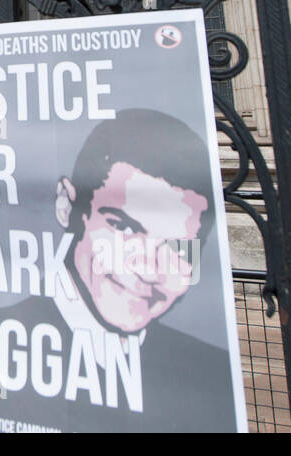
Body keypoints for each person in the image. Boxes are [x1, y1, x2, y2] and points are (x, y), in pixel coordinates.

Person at [54, 108, 216, 335]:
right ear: (67, 207)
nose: (148, 271)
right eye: (125, 227)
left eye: (177, 249)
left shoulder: (202, 364)